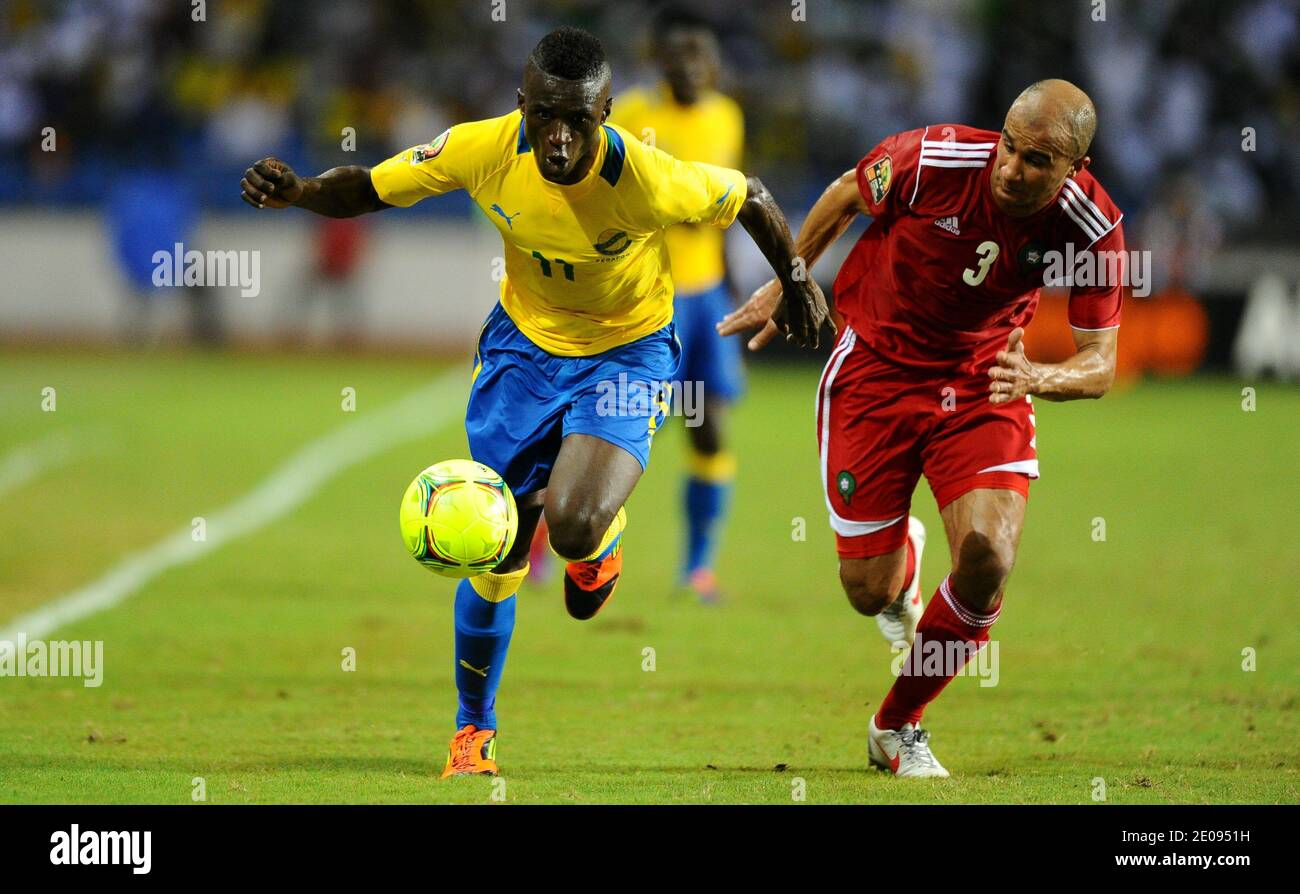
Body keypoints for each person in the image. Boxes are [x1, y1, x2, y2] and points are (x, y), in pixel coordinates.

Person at [240, 27, 831, 778]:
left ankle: (597, 541)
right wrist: (298, 192)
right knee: (498, 551)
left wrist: (799, 280)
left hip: (627, 351)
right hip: (522, 353)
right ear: (521, 104)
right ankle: (472, 733)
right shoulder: (482, 148)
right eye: (543, 115)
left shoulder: (648, 178)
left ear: (607, 112)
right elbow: (370, 188)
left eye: (578, 120)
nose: (558, 137)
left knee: (574, 525)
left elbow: (751, 194)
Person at [721, 80, 1123, 777]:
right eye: (1010, 146)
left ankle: (897, 725)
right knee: (868, 592)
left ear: (1075, 169)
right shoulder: (935, 158)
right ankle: (900, 561)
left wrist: (1038, 379)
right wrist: (790, 280)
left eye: (1038, 161)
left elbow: (1101, 364)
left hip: (984, 383)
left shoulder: (1093, 225)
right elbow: (848, 191)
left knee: (987, 559)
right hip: (876, 371)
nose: (1012, 169)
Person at [610, 7, 746, 603]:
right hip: (646, 298)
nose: (691, 67)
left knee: (709, 427)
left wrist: (734, 279)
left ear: (715, 67)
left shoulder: (726, 117)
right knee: (616, 431)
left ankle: (698, 567)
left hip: (707, 296)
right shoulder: (635, 114)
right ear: (660, 63)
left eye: (701, 57)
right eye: (679, 57)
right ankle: (551, 545)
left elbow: (729, 199)